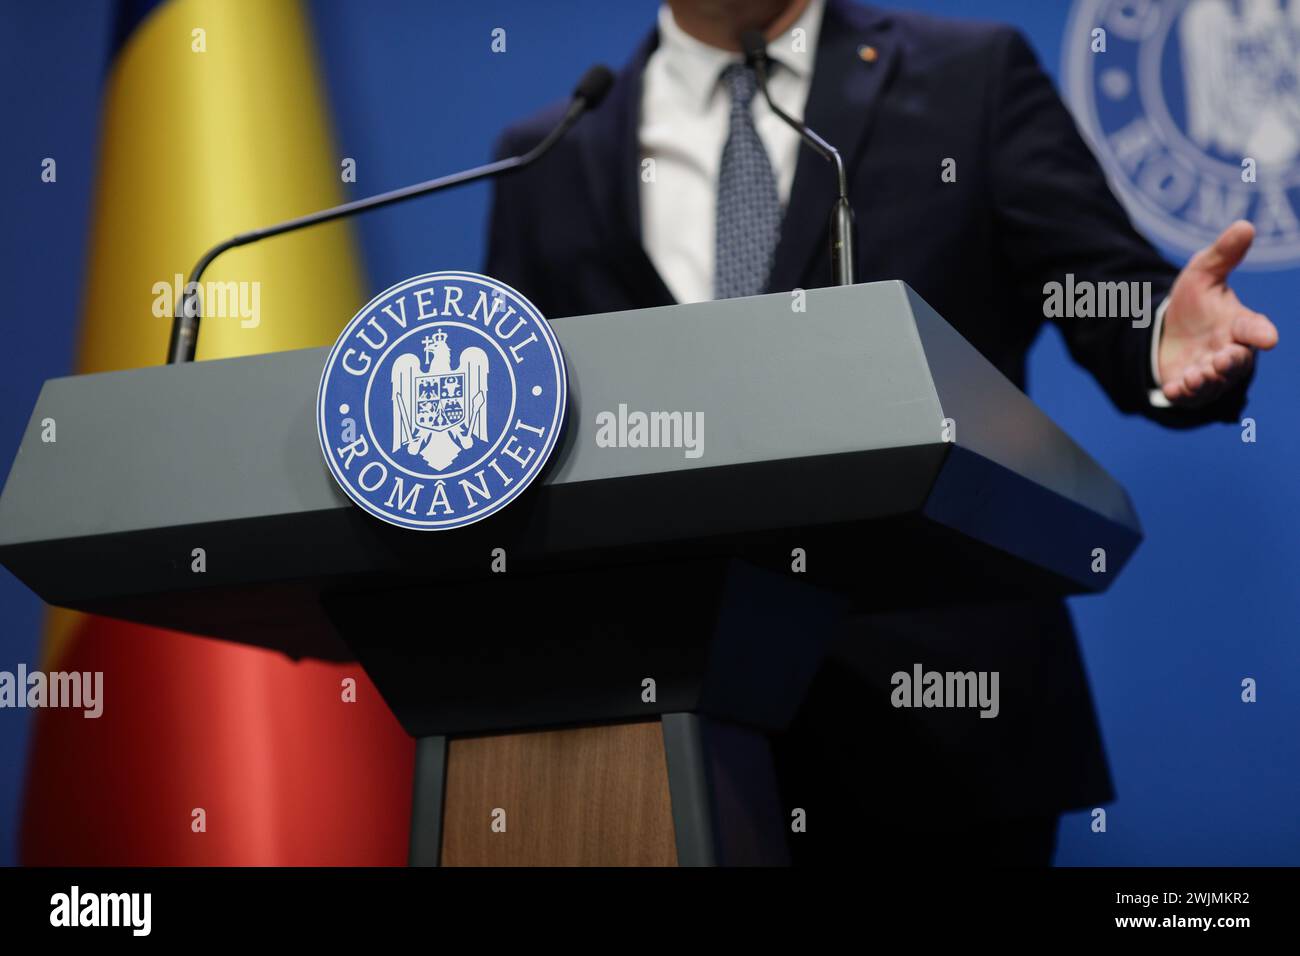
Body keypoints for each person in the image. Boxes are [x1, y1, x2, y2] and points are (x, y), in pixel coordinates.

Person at [484, 0, 1279, 865]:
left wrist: (1166, 333)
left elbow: (1098, 290)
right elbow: (524, 445)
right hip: (648, 745)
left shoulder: (968, 78)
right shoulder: (553, 150)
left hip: (939, 735)